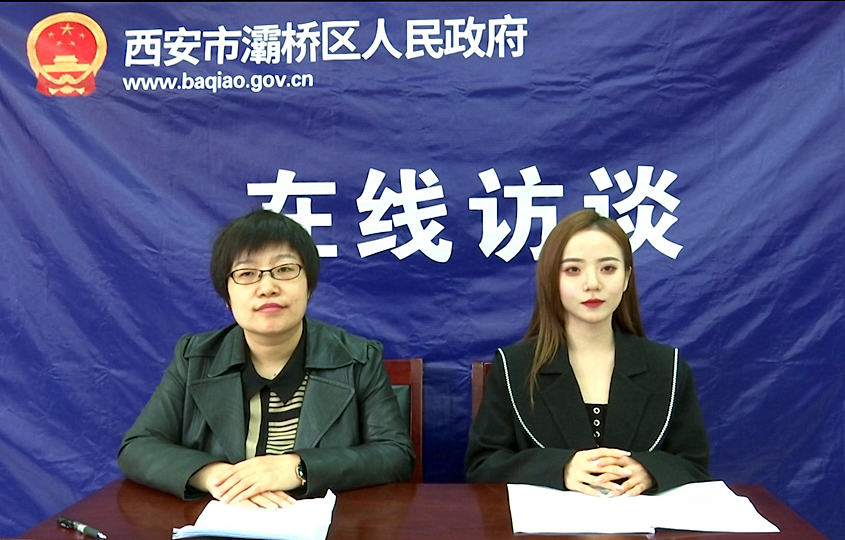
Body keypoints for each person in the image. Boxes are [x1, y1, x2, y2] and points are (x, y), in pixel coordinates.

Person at [118, 209, 414, 508]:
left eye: (284, 269)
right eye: (247, 274)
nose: (267, 287)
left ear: (309, 287)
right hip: (226, 523)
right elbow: (138, 447)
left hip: (327, 524)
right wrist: (216, 477)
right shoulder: (195, 358)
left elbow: (395, 455)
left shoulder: (357, 359)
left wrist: (299, 468)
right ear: (227, 296)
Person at [465, 209, 710, 496]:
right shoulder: (514, 367)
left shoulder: (668, 367)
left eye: (608, 269)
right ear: (551, 279)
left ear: (627, 277)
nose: (592, 283)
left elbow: (695, 465)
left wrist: (650, 470)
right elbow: (483, 465)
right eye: (573, 270)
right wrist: (561, 469)